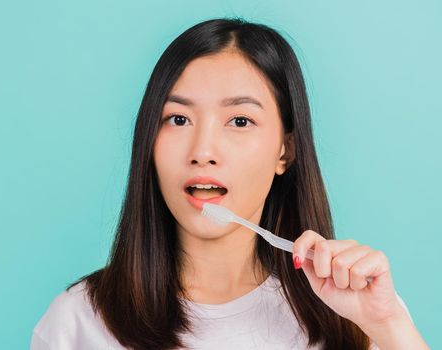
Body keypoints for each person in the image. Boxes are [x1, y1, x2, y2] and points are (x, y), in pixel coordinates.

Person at [30, 17, 430, 349]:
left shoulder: (357, 318)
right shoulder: (78, 323)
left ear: (285, 152)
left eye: (240, 121)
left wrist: (388, 325)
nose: (203, 150)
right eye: (178, 119)